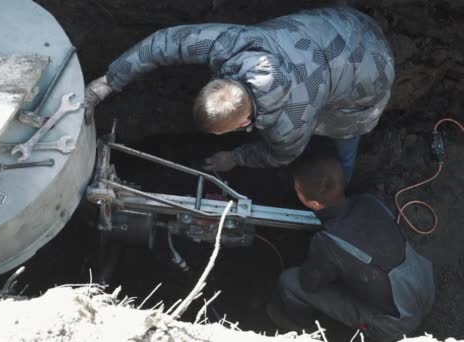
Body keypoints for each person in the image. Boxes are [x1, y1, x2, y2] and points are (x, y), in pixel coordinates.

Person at [84, 6, 395, 184]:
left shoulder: (291, 124)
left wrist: (233, 157)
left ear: (245, 120)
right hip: (342, 24)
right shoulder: (235, 43)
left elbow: (280, 155)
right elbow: (164, 42)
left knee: (344, 140)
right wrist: (108, 82)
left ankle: (344, 181)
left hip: (371, 78)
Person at [265, 157, 434, 341]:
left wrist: (322, 263)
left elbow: (309, 284)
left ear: (314, 204)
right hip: (425, 286)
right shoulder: (369, 202)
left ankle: (300, 327)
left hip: (395, 324)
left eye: (298, 190)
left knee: (289, 282)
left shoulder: (328, 243)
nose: (295, 190)